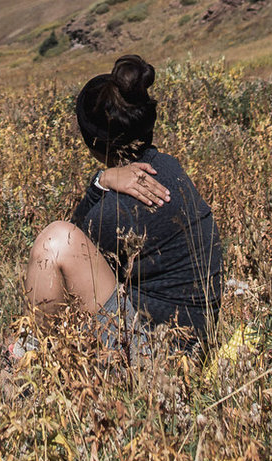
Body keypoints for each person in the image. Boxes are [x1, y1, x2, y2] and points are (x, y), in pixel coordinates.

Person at [24, 54, 222, 351]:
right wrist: (105, 179)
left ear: (93, 144)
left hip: (160, 356)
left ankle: (34, 361)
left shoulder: (116, 211)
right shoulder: (168, 167)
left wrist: (99, 183)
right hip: (195, 339)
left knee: (54, 243)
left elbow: (69, 245)